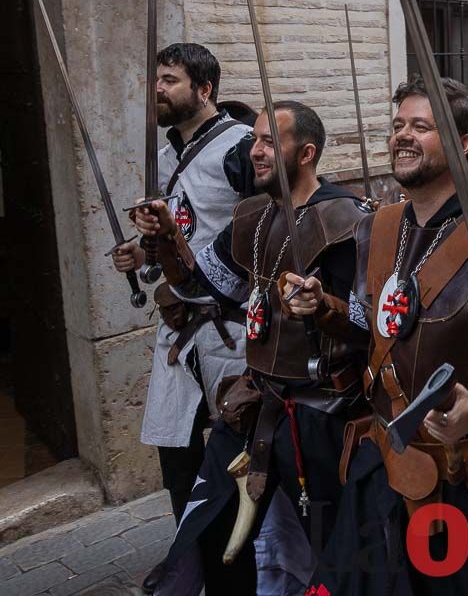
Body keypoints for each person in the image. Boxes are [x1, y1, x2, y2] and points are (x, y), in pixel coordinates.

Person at [299, 76, 468, 596]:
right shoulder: (377, 228)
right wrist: (326, 308)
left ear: (464, 143)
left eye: (421, 126)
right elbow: (377, 330)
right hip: (386, 470)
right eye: (398, 125)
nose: (402, 135)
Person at [137, 101, 370, 594]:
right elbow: (203, 288)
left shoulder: (348, 220)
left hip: (321, 413)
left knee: (336, 549)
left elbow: (369, 326)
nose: (255, 150)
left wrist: (324, 306)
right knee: (211, 530)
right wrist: (168, 239)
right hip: (254, 403)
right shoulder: (253, 216)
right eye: (255, 138)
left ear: (306, 154)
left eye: (268, 141)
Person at [112, 43, 254, 591]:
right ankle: (190, 565)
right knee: (179, 464)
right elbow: (180, 231)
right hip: (178, 336)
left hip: (229, 335)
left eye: (169, 80)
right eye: (155, 80)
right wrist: (143, 251)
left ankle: (235, 576)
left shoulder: (241, 150)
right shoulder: (168, 154)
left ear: (204, 89)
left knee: (231, 471)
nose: (158, 90)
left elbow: (259, 233)